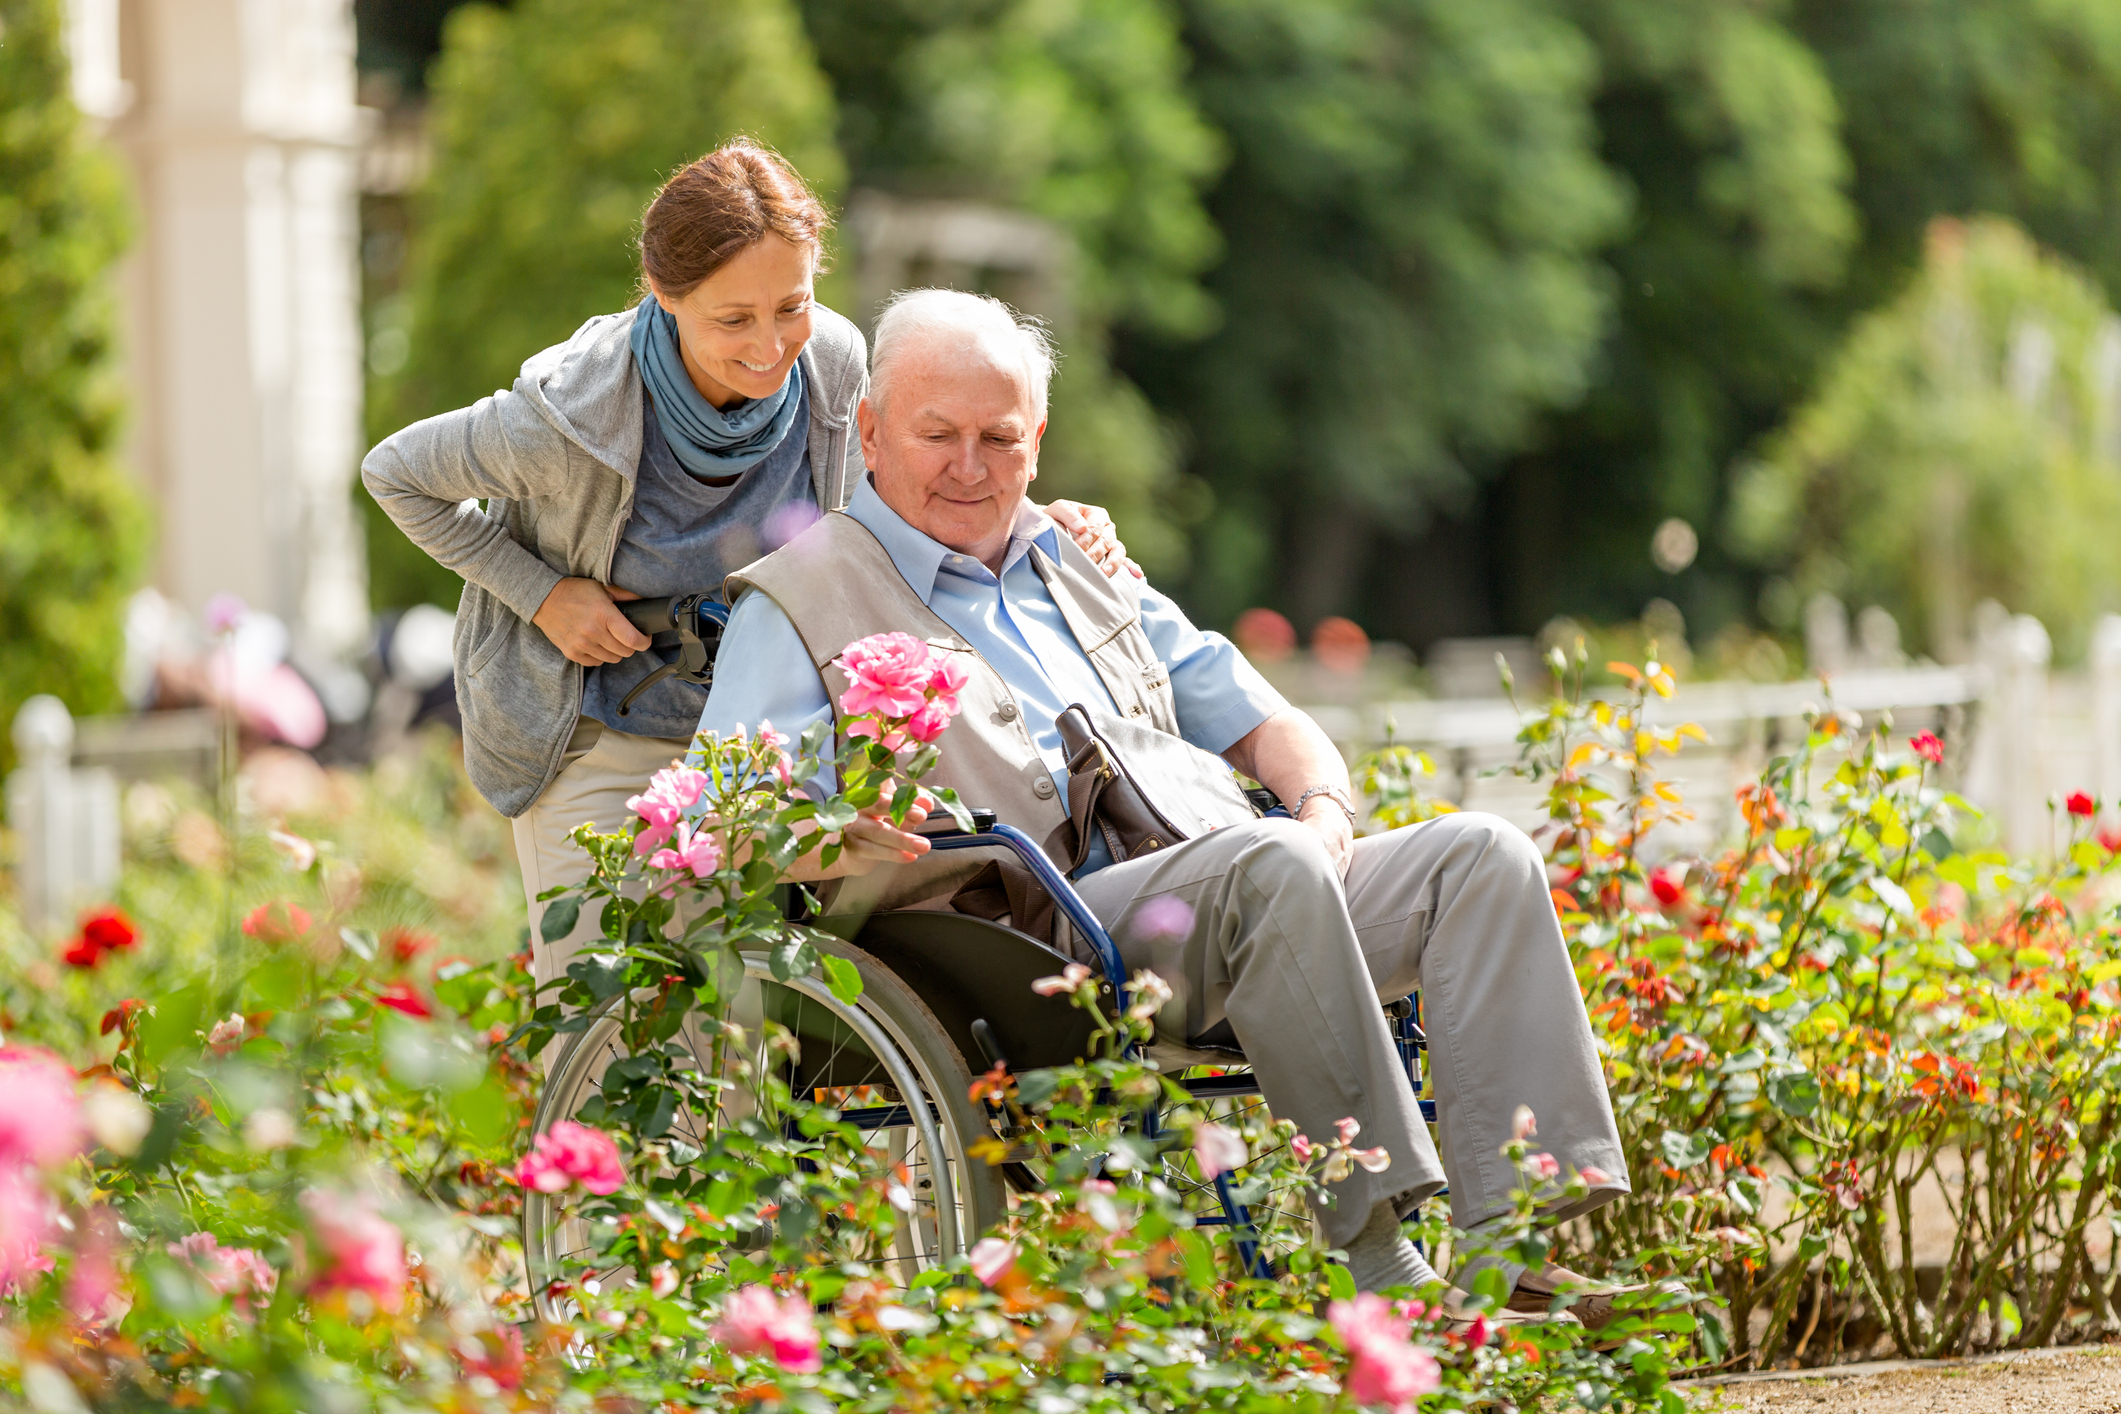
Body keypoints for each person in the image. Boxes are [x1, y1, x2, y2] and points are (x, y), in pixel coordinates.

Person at [696, 287, 1636, 1320]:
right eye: (937, 434)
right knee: (1267, 865)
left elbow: (1275, 725)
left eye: (999, 437)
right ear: (870, 431)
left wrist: (1323, 812)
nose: (969, 466)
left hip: (1216, 897)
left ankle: (1519, 1257)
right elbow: (727, 816)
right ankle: (1377, 1261)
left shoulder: (1082, 564)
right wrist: (838, 836)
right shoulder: (800, 599)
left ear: (1038, 440)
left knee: (1480, 858)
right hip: (1014, 946)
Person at [361, 143, 1133, 988]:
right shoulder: (570, 413)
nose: (770, 347)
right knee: (613, 1017)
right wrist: (541, 595)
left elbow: (897, 496)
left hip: (761, 735)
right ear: (664, 295)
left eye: (790, 306)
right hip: (600, 732)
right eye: (733, 320)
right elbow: (394, 474)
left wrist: (1031, 519)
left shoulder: (832, 361)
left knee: (748, 1030)